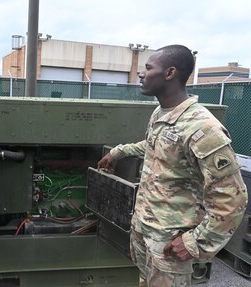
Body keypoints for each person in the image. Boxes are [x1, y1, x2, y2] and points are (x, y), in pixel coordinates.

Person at [97, 44, 247, 286]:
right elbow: (154, 146)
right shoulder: (161, 113)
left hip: (170, 242)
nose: (141, 74)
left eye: (148, 68)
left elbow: (232, 197)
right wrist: (118, 152)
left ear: (170, 73)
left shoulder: (202, 128)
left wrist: (196, 242)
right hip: (146, 231)